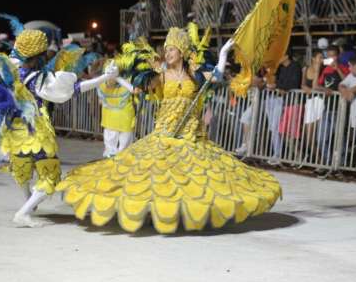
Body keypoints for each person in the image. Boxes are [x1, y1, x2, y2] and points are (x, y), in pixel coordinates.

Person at [57, 27, 282, 233]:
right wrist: (114, 77)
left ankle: (191, 212)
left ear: (182, 51)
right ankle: (157, 210)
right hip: (164, 134)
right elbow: (138, 90)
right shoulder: (160, 75)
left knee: (194, 175)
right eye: (166, 49)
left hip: (191, 135)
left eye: (172, 49)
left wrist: (223, 53)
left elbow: (217, 76)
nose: (168, 53)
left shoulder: (195, 73)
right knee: (154, 174)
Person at [0, 22, 118, 227]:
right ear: (38, 56)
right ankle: (24, 212)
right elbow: (75, 88)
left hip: (14, 130)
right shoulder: (38, 79)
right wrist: (106, 77)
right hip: (35, 130)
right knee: (50, 175)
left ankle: (29, 200)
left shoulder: (10, 69)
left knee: (22, 166)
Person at [97, 72, 137, 158]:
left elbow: (100, 102)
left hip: (114, 119)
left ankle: (113, 160)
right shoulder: (128, 82)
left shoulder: (101, 85)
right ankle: (119, 160)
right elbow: (136, 92)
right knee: (123, 146)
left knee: (112, 146)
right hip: (122, 119)